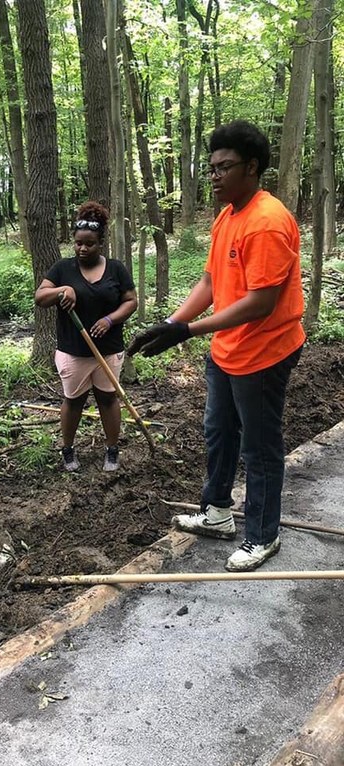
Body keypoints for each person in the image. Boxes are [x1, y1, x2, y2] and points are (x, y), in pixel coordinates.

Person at [128, 120, 305, 572]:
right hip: (228, 348)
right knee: (219, 431)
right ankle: (218, 512)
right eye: (210, 167)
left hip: (264, 351)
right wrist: (172, 322)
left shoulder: (266, 222)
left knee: (260, 446)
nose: (214, 176)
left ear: (252, 167)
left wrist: (189, 332)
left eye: (223, 167)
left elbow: (260, 304)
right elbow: (211, 280)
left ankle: (263, 535)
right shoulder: (228, 215)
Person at [35, 201, 138, 472]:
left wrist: (109, 319)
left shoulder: (116, 269)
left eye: (89, 244)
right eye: (78, 243)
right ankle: (67, 449)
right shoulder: (62, 269)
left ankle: (112, 449)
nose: (82, 248)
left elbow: (130, 301)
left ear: (100, 243)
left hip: (108, 349)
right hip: (73, 350)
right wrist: (62, 290)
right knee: (74, 400)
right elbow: (40, 297)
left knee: (108, 399)